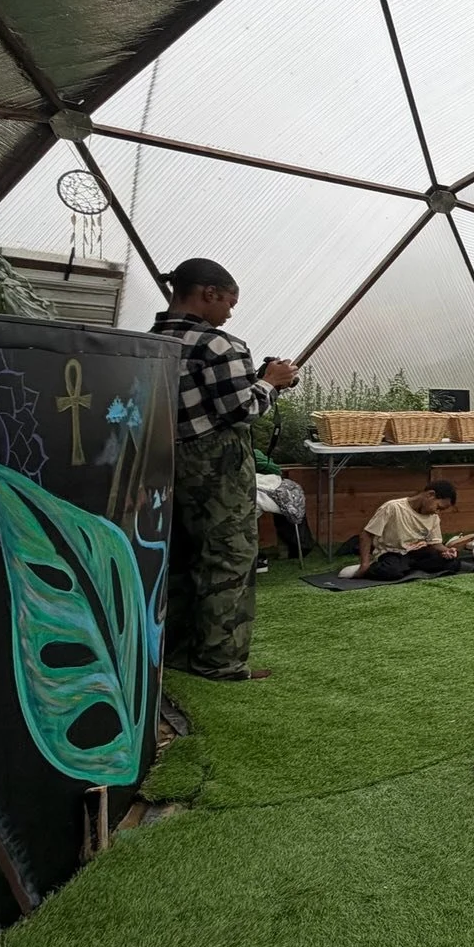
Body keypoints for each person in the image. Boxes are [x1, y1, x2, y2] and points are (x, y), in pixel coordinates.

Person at [153, 257, 298, 681]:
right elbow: (240, 410)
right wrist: (271, 381)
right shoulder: (217, 344)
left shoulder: (152, 339)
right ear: (208, 294)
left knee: (180, 555)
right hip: (215, 465)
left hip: (165, 460)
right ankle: (221, 661)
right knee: (229, 558)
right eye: (229, 302)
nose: (230, 313)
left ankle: (177, 651)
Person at [352, 481, 461, 581]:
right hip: (393, 552)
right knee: (390, 572)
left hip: (417, 553)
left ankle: (405, 568)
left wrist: (447, 551)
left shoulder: (433, 517)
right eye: (438, 507)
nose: (437, 512)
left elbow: (435, 543)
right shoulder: (393, 507)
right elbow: (366, 535)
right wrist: (364, 564)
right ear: (430, 495)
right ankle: (376, 567)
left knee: (453, 563)